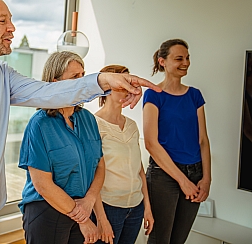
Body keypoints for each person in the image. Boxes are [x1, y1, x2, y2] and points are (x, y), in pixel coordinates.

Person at [0, 0, 160, 244]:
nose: (12, 28)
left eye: (10, 20)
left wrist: (104, 81)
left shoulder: (3, 75)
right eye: (2, 21)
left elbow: (51, 93)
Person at [18, 51, 105, 244]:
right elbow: (43, 185)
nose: (82, 83)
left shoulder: (88, 119)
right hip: (47, 210)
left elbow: (100, 165)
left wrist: (89, 200)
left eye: (83, 76)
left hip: (83, 205)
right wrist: (81, 216)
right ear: (55, 82)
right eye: (75, 77)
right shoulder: (39, 124)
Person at [143, 39, 211, 244]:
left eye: (188, 58)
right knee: (159, 240)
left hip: (195, 173)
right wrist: (183, 181)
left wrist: (207, 179)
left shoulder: (195, 95)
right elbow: (150, 143)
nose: (186, 62)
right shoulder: (153, 95)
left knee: (178, 240)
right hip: (164, 177)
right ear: (162, 61)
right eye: (179, 58)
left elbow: (203, 140)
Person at [94, 65, 154, 244]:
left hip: (136, 207)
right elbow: (91, 176)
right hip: (108, 207)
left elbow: (139, 170)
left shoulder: (132, 125)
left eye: (130, 84)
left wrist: (147, 207)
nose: (129, 90)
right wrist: (101, 219)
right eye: (123, 84)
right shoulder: (94, 124)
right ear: (106, 88)